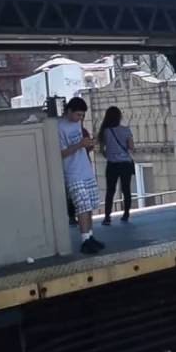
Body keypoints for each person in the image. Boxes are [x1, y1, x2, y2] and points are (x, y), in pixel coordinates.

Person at [59, 98, 103, 254]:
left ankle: (90, 237)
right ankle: (85, 240)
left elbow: (80, 146)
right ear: (69, 111)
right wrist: (80, 145)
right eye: (78, 115)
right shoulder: (59, 127)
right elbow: (60, 153)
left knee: (90, 205)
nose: (80, 118)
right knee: (82, 206)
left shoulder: (77, 123)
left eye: (82, 115)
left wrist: (89, 144)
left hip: (85, 169)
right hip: (73, 173)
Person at [97, 106, 135, 225]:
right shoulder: (126, 130)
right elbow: (131, 147)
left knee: (110, 191)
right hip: (125, 164)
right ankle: (126, 214)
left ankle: (107, 217)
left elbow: (102, 150)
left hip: (112, 164)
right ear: (119, 116)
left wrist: (109, 155)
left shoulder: (105, 131)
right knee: (126, 190)